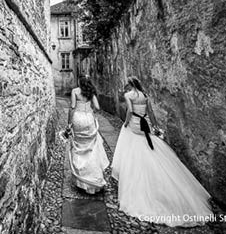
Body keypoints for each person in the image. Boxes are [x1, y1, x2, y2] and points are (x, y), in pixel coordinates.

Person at [111, 76, 214, 227]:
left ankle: (135, 179)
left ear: (130, 84)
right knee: (149, 147)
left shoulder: (129, 95)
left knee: (132, 149)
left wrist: (126, 123)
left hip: (134, 125)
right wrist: (156, 127)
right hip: (145, 124)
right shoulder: (145, 95)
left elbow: (130, 111)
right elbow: (151, 114)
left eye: (127, 83)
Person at [67, 76, 110, 194]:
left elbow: (72, 107)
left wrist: (69, 124)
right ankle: (93, 177)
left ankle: (81, 178)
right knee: (91, 147)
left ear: (79, 82)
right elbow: (97, 107)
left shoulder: (75, 91)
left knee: (79, 146)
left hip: (78, 118)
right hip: (88, 119)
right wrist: (91, 112)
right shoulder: (90, 92)